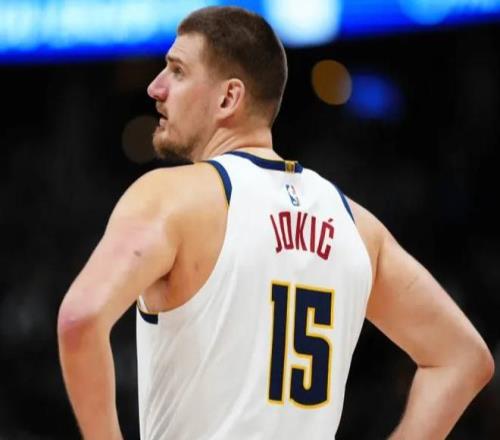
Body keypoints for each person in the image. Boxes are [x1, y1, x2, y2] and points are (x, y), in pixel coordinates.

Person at [57, 6, 494, 440]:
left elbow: (80, 319)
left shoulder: (171, 198)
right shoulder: (357, 225)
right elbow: (462, 358)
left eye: (177, 71)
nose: (156, 87)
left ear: (228, 98)